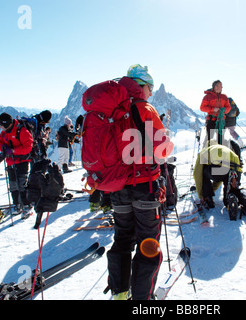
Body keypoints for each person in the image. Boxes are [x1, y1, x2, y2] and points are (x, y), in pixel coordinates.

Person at [106, 64, 174, 300]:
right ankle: (142, 300)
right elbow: (163, 149)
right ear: (141, 86)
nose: (152, 92)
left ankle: (120, 293)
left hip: (117, 188)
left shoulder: (110, 110)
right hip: (144, 187)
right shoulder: (145, 109)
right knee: (147, 244)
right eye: (150, 87)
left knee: (123, 239)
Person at [0, 112, 33, 215]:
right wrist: (3, 149)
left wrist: (12, 151)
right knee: (13, 185)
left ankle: (26, 205)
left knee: (21, 184)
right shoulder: (5, 132)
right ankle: (17, 204)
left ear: (6, 123)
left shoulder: (21, 131)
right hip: (10, 162)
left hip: (22, 161)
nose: (0, 127)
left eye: (1, 125)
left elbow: (28, 147)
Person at [193, 140, 243, 208]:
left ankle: (207, 198)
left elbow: (197, 173)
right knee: (228, 184)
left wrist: (201, 195)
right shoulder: (223, 148)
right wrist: (212, 189)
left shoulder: (205, 151)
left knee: (203, 171)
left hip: (220, 169)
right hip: (235, 169)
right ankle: (230, 200)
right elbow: (220, 177)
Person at [200, 80, 231, 146]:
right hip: (211, 120)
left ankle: (219, 154)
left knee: (221, 139)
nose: (218, 87)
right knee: (209, 139)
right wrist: (213, 109)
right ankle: (206, 154)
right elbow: (202, 108)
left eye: (220, 86)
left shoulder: (224, 97)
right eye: (217, 85)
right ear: (213, 87)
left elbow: (228, 108)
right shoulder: (207, 97)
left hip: (221, 121)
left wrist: (224, 110)